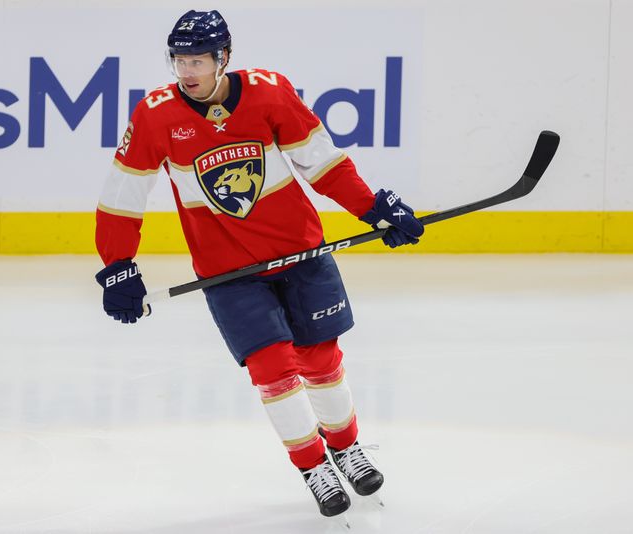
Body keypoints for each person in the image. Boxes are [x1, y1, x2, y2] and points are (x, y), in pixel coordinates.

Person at [94, 9, 424, 518]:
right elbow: (123, 194)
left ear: (223, 58)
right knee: (272, 367)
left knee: (319, 359)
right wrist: (118, 264)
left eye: (198, 60)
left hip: (301, 252)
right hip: (230, 272)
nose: (187, 71)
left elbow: (322, 162)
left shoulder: (271, 92)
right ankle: (313, 464)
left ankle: (346, 447)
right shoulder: (155, 116)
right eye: (179, 60)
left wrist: (372, 207)